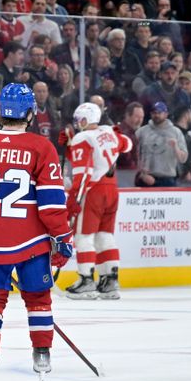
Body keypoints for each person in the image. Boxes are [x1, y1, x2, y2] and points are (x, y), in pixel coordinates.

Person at [0, 83, 73, 381]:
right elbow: (50, 204)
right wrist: (62, 237)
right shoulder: (40, 147)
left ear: (0, 112)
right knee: (38, 299)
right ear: (31, 113)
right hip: (31, 243)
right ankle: (42, 354)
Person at [64, 103, 133, 300]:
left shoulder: (82, 138)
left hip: (93, 191)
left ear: (85, 119)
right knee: (105, 235)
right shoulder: (109, 131)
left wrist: (74, 199)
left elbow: (83, 172)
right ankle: (110, 280)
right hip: (112, 188)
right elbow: (127, 144)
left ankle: (86, 280)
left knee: (83, 237)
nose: (77, 124)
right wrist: (70, 149)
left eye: (79, 120)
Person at [136, 101, 188, 187]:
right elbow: (135, 154)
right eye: (154, 113)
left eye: (159, 112)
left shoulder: (176, 132)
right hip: (147, 179)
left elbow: (183, 159)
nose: (156, 115)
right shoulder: (142, 131)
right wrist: (142, 175)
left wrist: (175, 147)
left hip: (168, 180)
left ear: (166, 114)